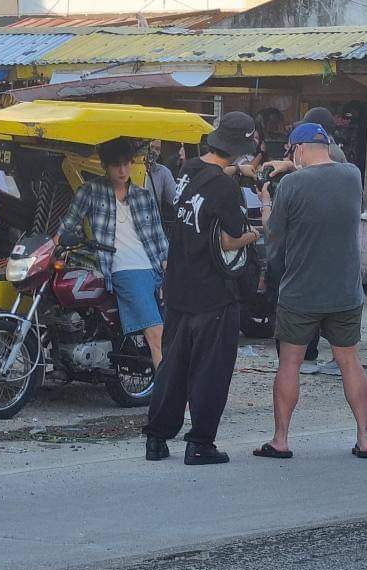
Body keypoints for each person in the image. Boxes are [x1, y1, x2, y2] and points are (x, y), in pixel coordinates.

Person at [143, 111, 260, 465]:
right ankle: (200, 443)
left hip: (178, 285)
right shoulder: (224, 189)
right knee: (210, 370)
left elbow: (209, 181)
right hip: (213, 293)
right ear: (240, 148)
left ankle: (156, 439)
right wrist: (255, 234)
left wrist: (237, 173)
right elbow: (230, 239)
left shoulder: (188, 171)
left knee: (172, 367)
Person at [258, 122, 367, 460]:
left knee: (290, 363)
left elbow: (274, 234)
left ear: (297, 149)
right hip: (345, 291)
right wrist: (296, 163)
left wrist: (267, 200)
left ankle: (281, 440)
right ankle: (365, 438)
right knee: (349, 361)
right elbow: (330, 162)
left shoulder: (291, 185)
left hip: (301, 292)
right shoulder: (352, 175)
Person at [58, 137, 167, 367]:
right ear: (104, 165)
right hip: (125, 267)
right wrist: (50, 249)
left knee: (172, 333)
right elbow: (67, 226)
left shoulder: (143, 196)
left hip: (152, 266)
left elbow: (159, 239)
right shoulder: (90, 191)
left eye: (127, 163)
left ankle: (170, 389)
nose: (123, 169)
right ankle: (167, 399)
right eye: (116, 164)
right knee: (156, 333)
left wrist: (170, 270)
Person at [145, 140, 176, 223]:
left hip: (154, 223)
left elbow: (175, 199)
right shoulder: (129, 168)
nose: (154, 151)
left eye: (157, 149)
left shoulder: (164, 172)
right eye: (151, 147)